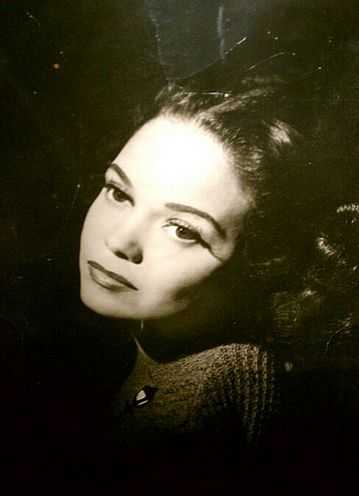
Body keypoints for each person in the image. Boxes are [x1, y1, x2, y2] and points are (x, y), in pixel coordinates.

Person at [77, 79, 311, 483]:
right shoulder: (160, 350)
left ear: (258, 261)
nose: (118, 240)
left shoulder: (215, 388)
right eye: (118, 192)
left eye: (183, 230)